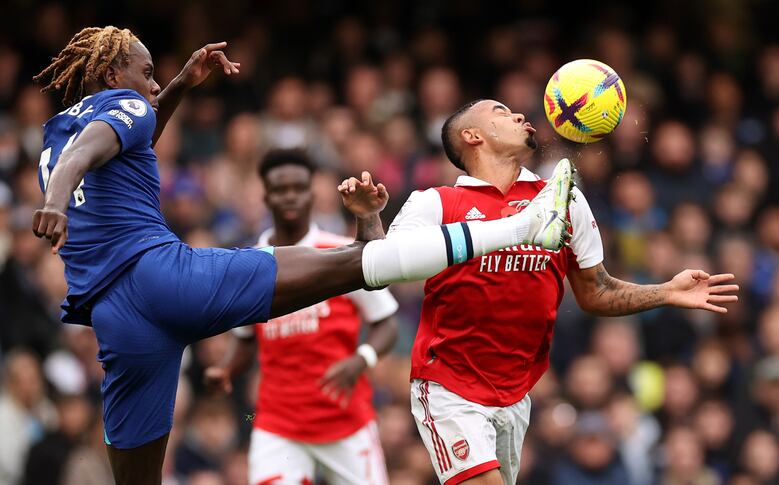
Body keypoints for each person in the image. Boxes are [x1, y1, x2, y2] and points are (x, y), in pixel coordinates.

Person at [30, 26, 583, 484]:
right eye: (145, 73)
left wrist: (175, 86)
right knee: (357, 262)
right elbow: (100, 142)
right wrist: (54, 205)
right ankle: (522, 226)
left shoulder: (55, 137)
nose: (150, 86)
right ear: (111, 77)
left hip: (116, 319)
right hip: (164, 278)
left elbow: (114, 141)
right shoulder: (117, 111)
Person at [386, 98, 739, 485]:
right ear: (472, 136)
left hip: (515, 393)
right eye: (500, 112)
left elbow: (596, 292)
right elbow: (387, 263)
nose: (519, 115)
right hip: (448, 385)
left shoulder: (562, 198)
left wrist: (666, 291)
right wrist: (371, 219)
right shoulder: (436, 203)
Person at [204, 149, 397, 484]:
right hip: (278, 426)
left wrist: (361, 359)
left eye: (299, 187)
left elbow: (387, 322)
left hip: (346, 420)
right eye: (281, 189)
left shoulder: (340, 252)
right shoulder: (250, 263)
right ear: (266, 196)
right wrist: (226, 369)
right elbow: (247, 338)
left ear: (312, 193)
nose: (290, 196)